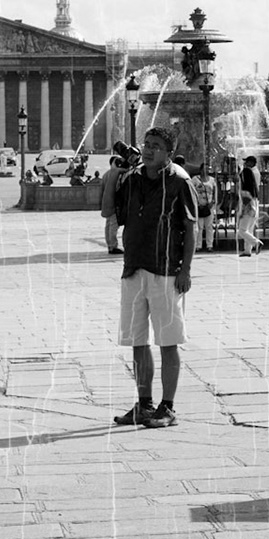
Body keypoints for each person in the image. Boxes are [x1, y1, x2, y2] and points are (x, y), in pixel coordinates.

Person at [112, 127, 197, 429]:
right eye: (146, 145)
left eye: (156, 146)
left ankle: (168, 407)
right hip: (133, 268)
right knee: (137, 340)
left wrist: (185, 269)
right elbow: (109, 210)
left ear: (169, 153)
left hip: (165, 272)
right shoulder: (132, 179)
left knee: (168, 342)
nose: (148, 150)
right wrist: (116, 174)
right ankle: (143, 403)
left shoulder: (180, 182)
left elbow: (190, 230)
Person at [101, 147, 128, 255]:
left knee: (108, 224)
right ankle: (113, 246)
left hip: (106, 202)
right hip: (114, 202)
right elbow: (118, 188)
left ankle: (109, 245)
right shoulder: (116, 173)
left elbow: (102, 189)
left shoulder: (105, 174)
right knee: (113, 225)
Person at [236, 155, 263, 257]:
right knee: (249, 228)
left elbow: (245, 201)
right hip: (254, 203)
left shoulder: (246, 191)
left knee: (242, 230)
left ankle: (256, 243)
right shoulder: (252, 176)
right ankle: (248, 250)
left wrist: (242, 210)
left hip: (249, 206)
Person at [191, 161, 218, 252]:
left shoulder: (212, 180)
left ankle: (209, 245)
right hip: (198, 205)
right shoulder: (195, 179)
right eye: (204, 169)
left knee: (209, 226)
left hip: (209, 206)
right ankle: (198, 245)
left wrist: (213, 202)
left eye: (207, 169)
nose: (206, 170)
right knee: (199, 226)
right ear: (200, 170)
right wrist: (196, 203)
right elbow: (191, 191)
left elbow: (215, 192)